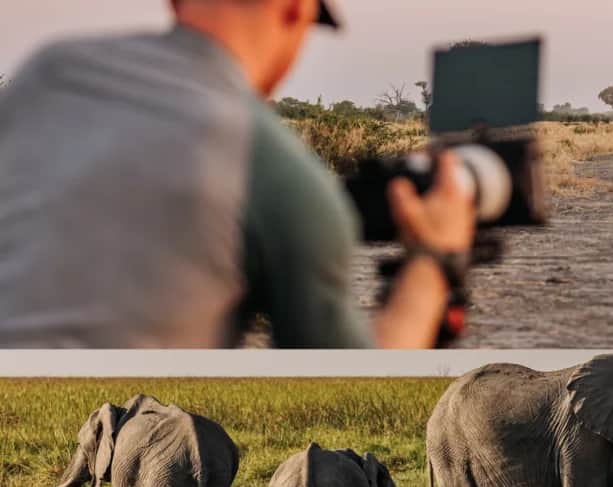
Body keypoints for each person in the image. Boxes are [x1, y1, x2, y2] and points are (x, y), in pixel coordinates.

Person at [0, 0, 476, 348]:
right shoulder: (277, 174)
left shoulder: (50, 71)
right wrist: (433, 262)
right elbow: (358, 368)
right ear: (295, 12)